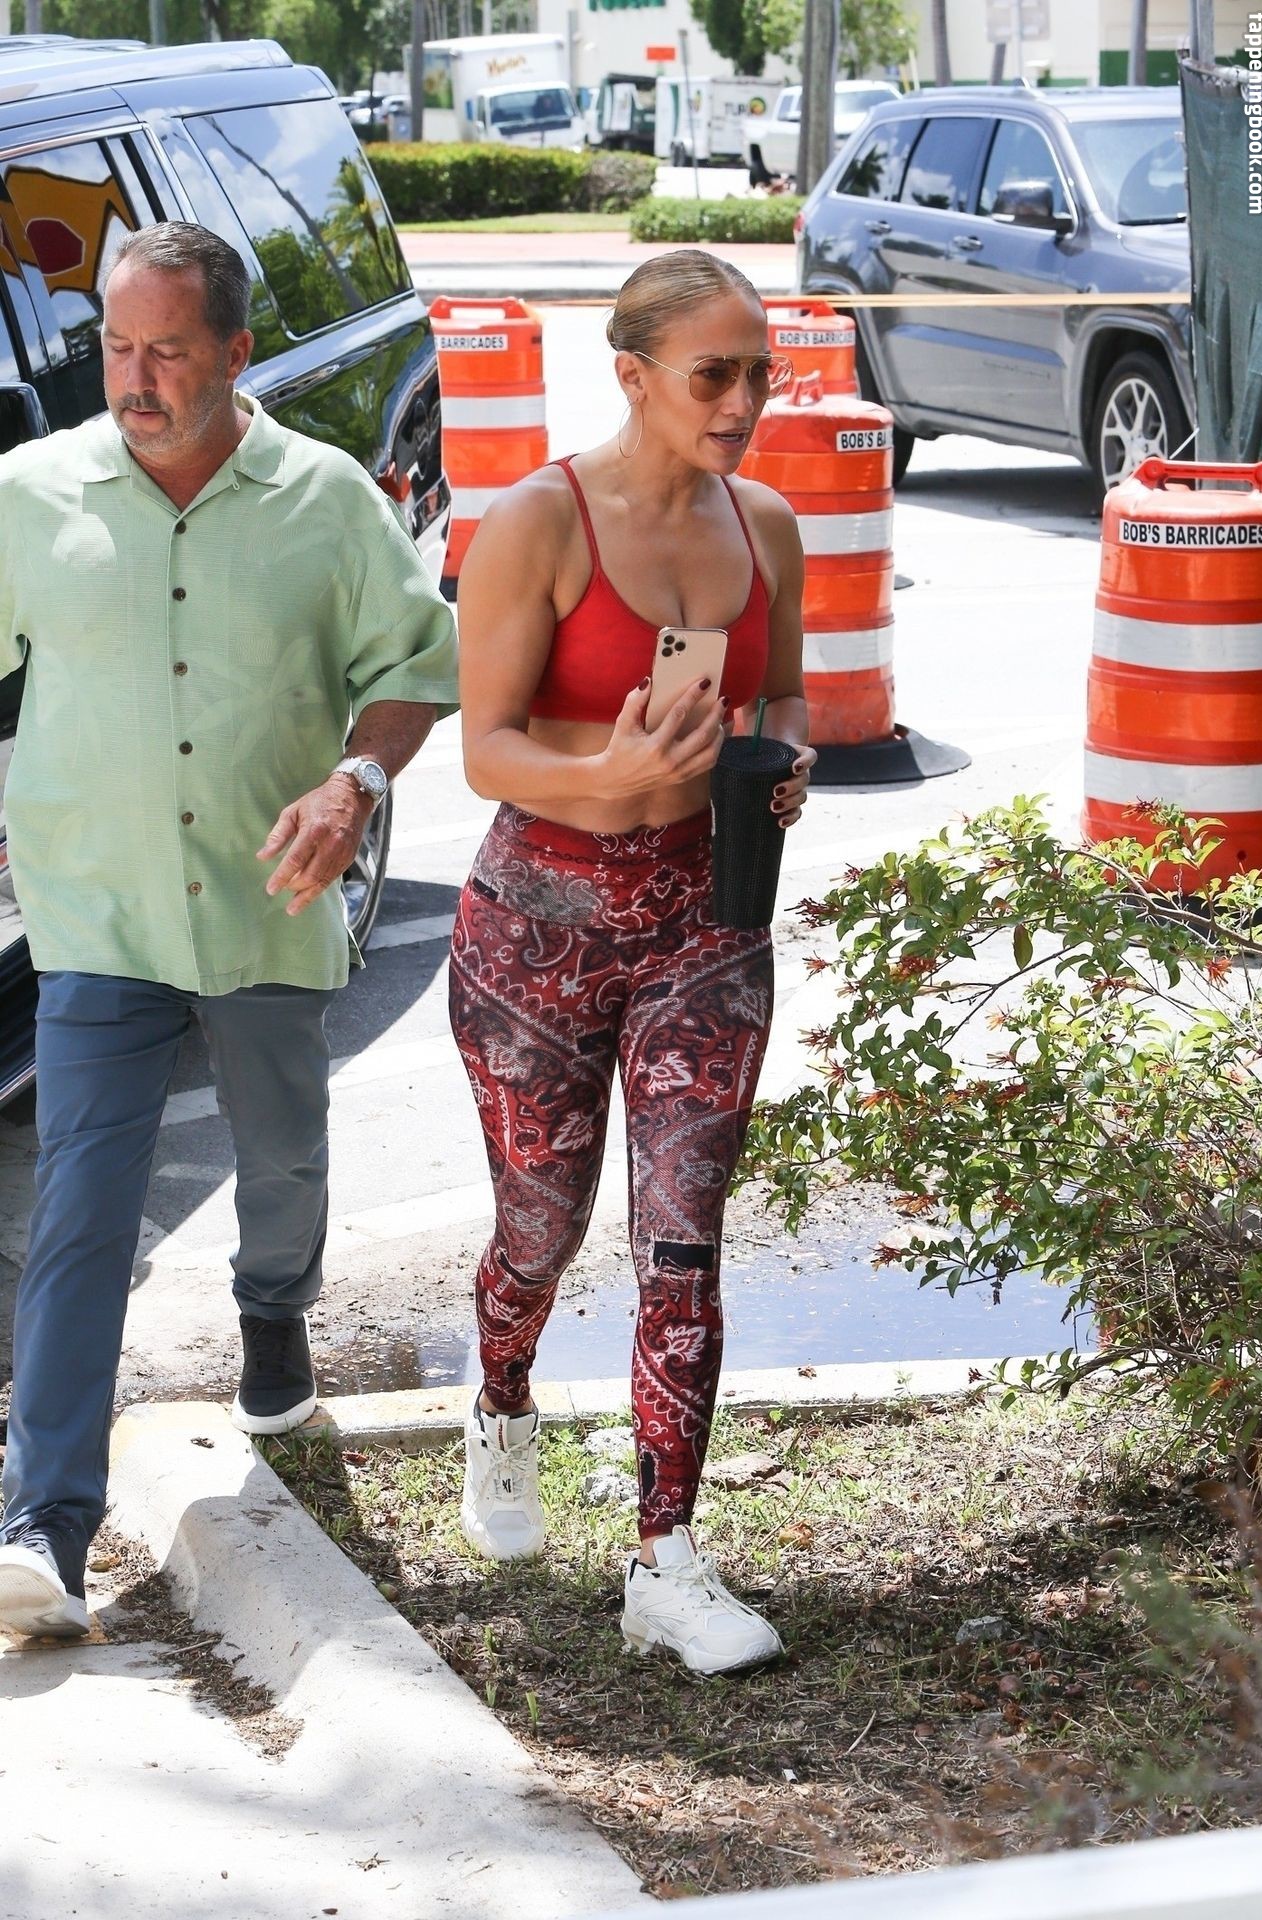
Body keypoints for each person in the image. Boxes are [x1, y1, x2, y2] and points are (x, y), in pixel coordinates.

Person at [0, 223, 458, 1639]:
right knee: (81, 1211)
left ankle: (274, 1308)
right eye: (116, 349)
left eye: (167, 352)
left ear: (237, 352)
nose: (133, 380)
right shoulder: (28, 493)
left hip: (270, 896)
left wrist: (356, 779)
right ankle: (42, 1527)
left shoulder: (324, 499)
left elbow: (415, 665)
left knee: (284, 1157)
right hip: (98, 906)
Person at [449, 249, 813, 1676]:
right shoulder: (538, 521)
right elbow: (487, 749)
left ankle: (666, 1559)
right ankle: (503, 1394)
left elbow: (786, 692)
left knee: (682, 1236)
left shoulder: (766, 526)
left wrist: (783, 763)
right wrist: (609, 773)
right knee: (538, 1230)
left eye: (760, 373)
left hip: (705, 925)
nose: (743, 401)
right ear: (634, 375)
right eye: (714, 373)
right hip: (535, 930)